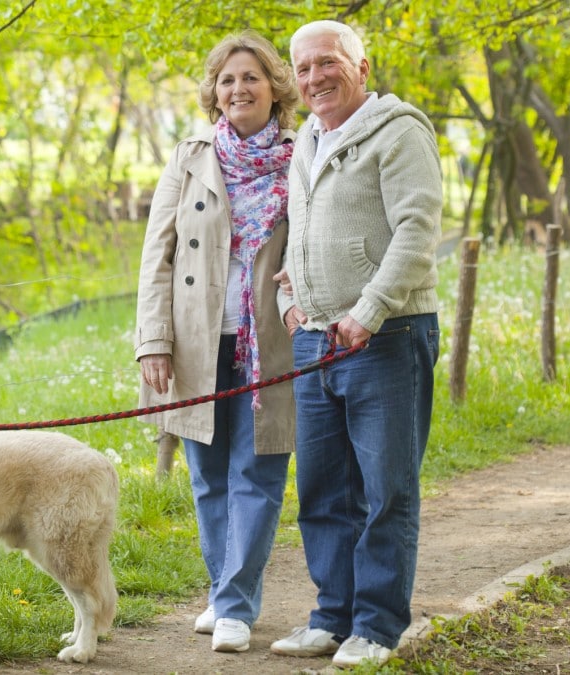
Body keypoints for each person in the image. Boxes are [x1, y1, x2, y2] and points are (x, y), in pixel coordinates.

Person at [268, 20, 442, 668]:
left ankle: (376, 624)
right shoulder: (306, 141)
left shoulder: (399, 131)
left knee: (385, 489)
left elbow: (417, 230)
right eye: (304, 67)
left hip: (388, 336)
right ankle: (331, 615)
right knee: (322, 489)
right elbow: (302, 238)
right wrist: (291, 300)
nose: (315, 77)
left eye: (327, 63)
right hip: (316, 340)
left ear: (361, 66)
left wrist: (368, 312)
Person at [134, 30, 300, 654]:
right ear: (215, 91)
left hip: (269, 342)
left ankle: (234, 604)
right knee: (206, 476)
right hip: (195, 340)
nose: (238, 89)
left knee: (256, 472)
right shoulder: (190, 156)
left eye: (251, 77)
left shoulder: (299, 154)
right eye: (227, 80)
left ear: (274, 87)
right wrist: (153, 339)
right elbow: (158, 254)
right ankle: (223, 588)